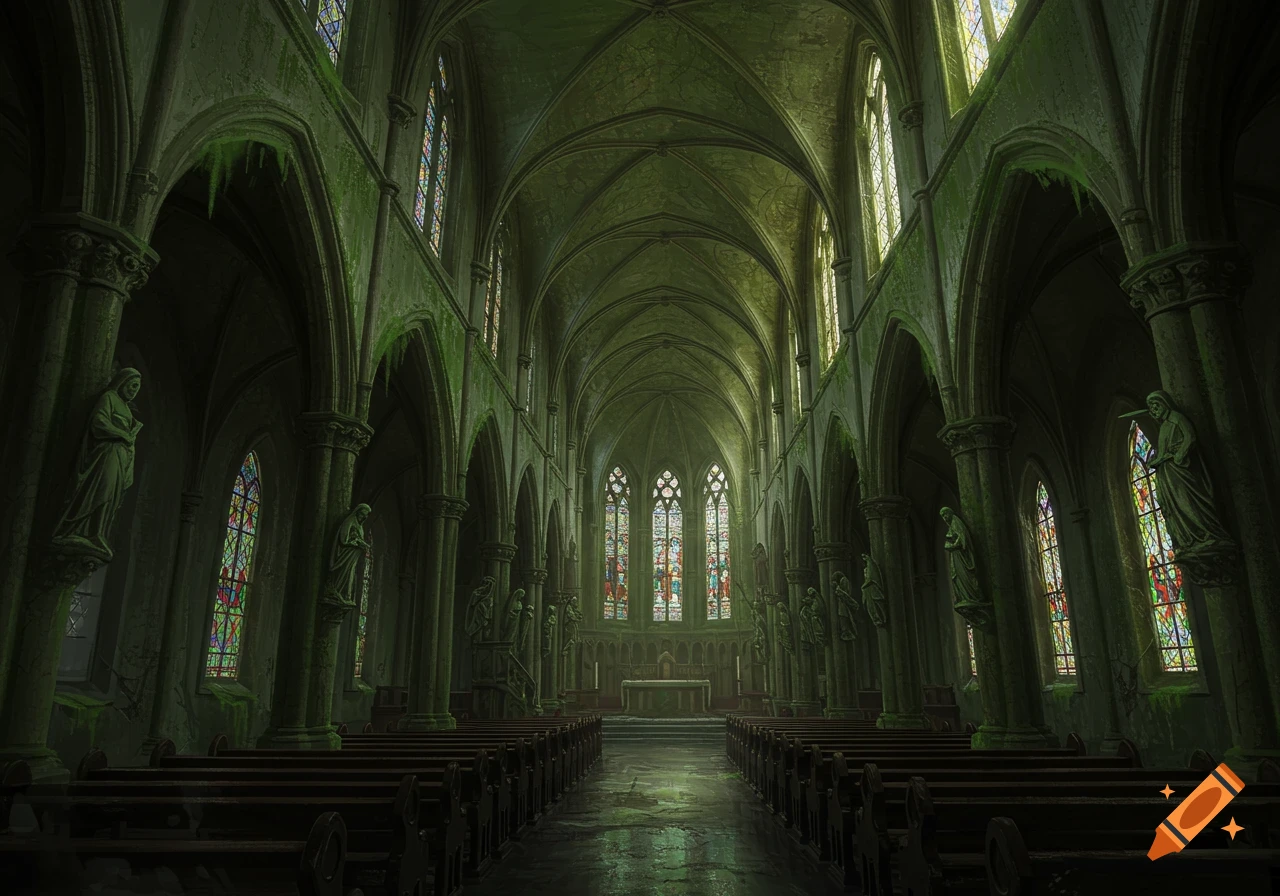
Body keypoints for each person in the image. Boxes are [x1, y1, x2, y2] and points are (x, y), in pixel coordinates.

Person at [53, 368, 144, 558]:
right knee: (102, 488)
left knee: (112, 495)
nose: (134, 390)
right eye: (133, 385)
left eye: (138, 388)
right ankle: (83, 530)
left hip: (120, 457)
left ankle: (99, 531)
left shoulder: (127, 409)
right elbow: (99, 421)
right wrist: (122, 434)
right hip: (105, 454)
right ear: (123, 382)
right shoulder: (109, 397)